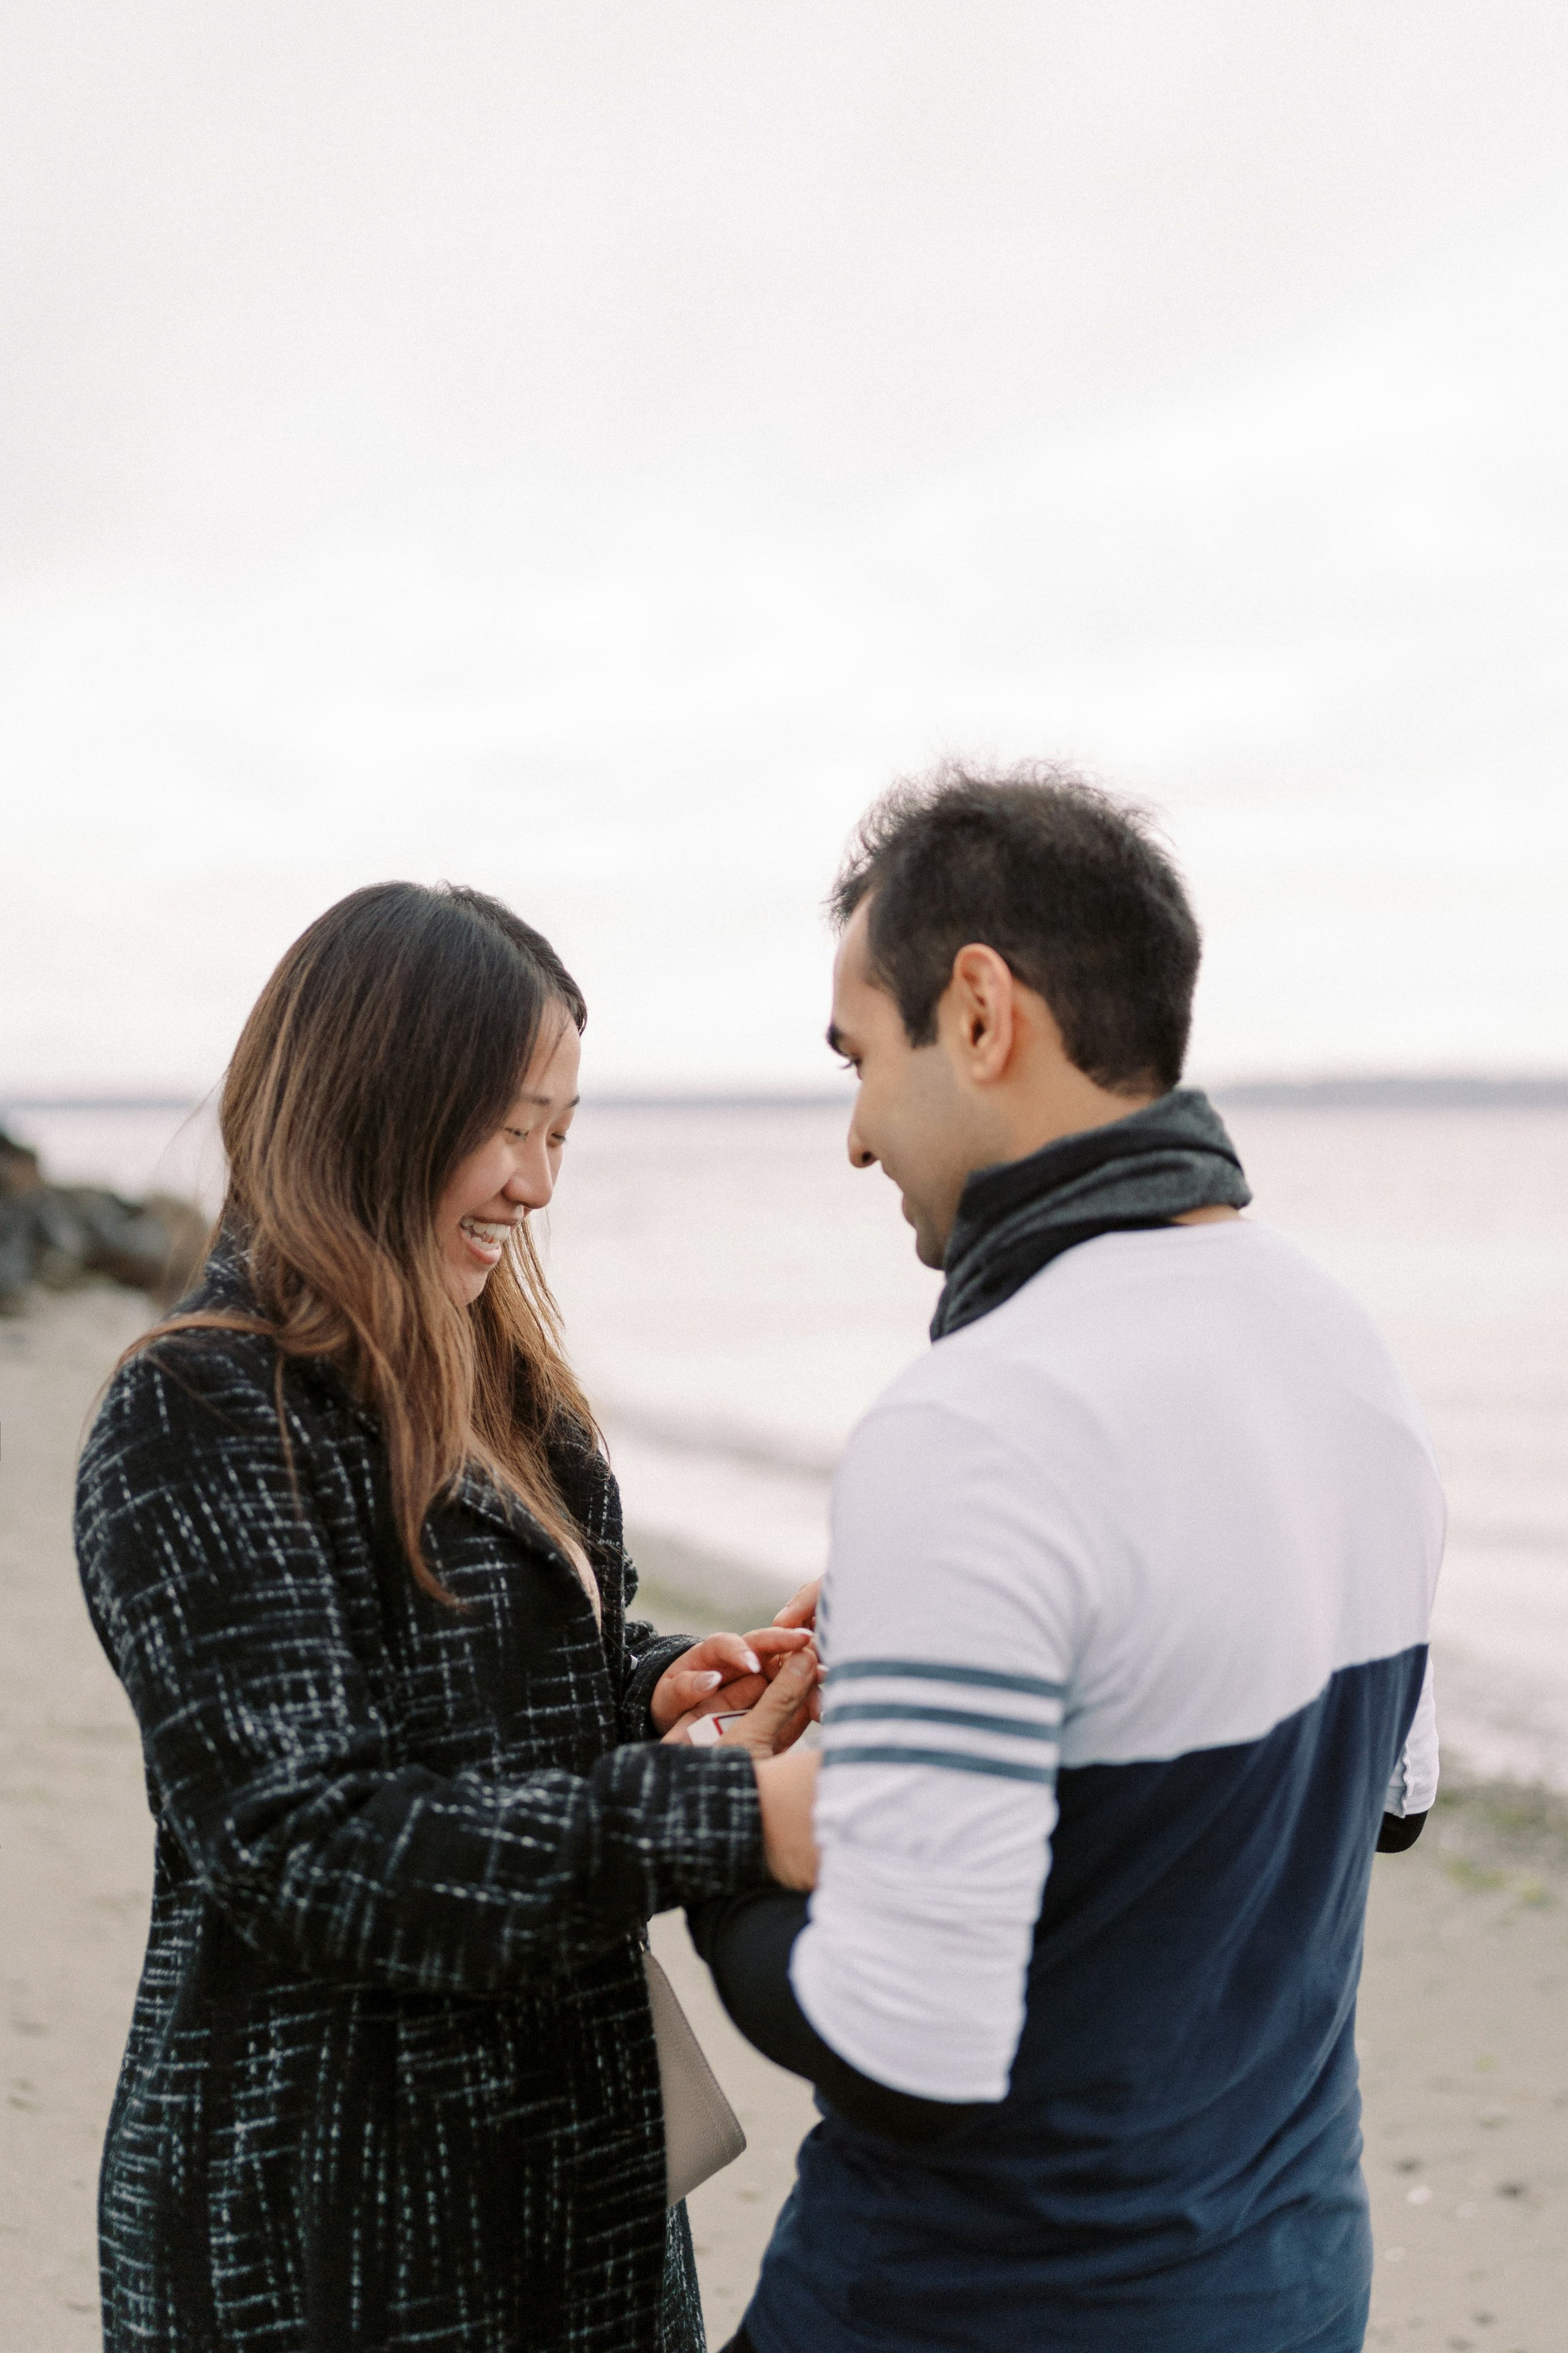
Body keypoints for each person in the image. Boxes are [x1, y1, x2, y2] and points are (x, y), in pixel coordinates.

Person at [693, 765, 1442, 2353]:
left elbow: (909, 2050)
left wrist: (715, 1829)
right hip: (1292, 2288)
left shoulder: (979, 1427)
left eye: (859, 1060)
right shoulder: (1353, 1358)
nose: (853, 1137)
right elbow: (1386, 1806)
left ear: (977, 1011)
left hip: (976, 2311)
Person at [75, 881, 819, 2353]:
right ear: (376, 1104)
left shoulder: (508, 1392)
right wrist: (731, 1819)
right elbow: (311, 1843)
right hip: (334, 2229)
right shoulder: (201, 1412)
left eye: (562, 1133)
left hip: (577, 2195)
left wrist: (660, 1688)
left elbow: (478, 1684)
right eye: (510, 1126)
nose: (538, 1183)